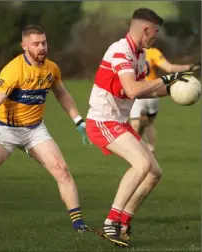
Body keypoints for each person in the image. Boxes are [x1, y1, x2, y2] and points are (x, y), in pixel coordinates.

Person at [0, 24, 91, 234]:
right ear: (24, 46)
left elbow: (62, 93)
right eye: (36, 44)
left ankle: (79, 225)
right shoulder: (14, 70)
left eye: (43, 43)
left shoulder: (51, 68)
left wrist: (78, 120)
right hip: (5, 130)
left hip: (35, 130)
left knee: (61, 170)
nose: (41, 47)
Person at [86, 8, 193, 247]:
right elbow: (134, 89)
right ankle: (110, 223)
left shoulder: (140, 55)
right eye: (155, 32)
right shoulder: (119, 51)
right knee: (142, 164)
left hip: (119, 122)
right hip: (102, 121)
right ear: (145, 30)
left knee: (154, 172)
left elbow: (149, 89)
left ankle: (123, 223)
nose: (157, 36)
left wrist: (178, 88)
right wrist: (166, 79)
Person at [130, 47, 200, 153]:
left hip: (139, 90)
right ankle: (151, 147)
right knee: (149, 123)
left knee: (135, 123)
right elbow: (170, 68)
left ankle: (133, 148)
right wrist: (190, 66)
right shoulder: (153, 52)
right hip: (154, 90)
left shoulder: (129, 51)